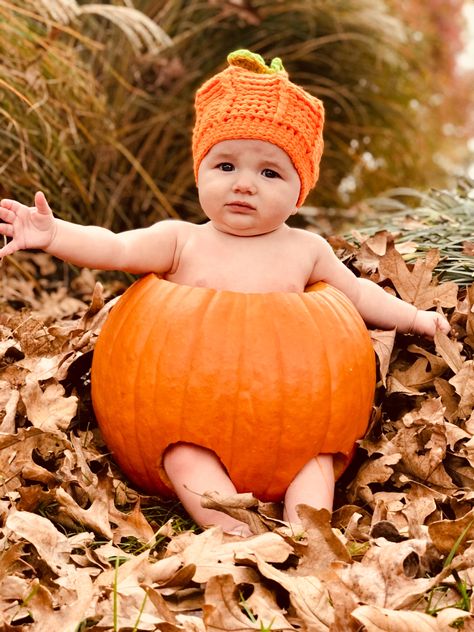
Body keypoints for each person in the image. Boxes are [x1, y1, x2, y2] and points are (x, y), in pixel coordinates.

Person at [0, 50, 450, 536]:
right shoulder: (181, 241)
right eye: (226, 165)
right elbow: (113, 246)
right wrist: (54, 235)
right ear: (201, 170)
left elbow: (359, 296)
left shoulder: (306, 251)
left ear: (299, 192)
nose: (244, 185)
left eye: (270, 173)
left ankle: (307, 538)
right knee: (182, 457)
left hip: (296, 421)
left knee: (317, 459)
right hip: (188, 417)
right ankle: (237, 536)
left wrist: (415, 319)